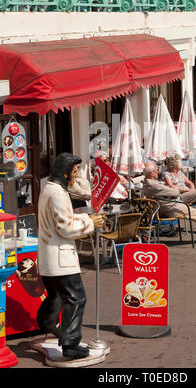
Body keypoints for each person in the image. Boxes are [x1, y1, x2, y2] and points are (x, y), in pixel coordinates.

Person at [37, 152, 104, 360]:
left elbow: (83, 194)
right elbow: (65, 228)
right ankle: (70, 343)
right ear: (65, 173)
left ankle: (47, 320)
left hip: (49, 257)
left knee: (58, 295)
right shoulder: (57, 194)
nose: (75, 176)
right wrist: (90, 223)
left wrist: (85, 216)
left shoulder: (50, 188)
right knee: (76, 298)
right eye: (74, 172)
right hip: (60, 259)